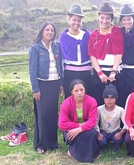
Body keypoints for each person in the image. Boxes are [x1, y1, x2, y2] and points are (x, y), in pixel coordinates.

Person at [29, 21, 63, 154]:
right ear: (42, 31)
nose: (50, 32)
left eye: (52, 30)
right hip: (42, 84)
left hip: (54, 83)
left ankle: (52, 143)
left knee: (52, 113)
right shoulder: (35, 49)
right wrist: (35, 89)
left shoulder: (56, 47)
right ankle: (41, 144)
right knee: (42, 115)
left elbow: (59, 66)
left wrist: (60, 84)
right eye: (47, 30)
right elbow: (32, 71)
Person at [88, 1, 124, 107]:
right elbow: (92, 55)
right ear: (98, 18)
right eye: (102, 18)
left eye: (107, 18)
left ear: (111, 19)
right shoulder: (94, 34)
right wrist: (100, 73)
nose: (104, 21)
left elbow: (119, 52)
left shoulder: (116, 32)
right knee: (98, 102)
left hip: (115, 73)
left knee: (117, 101)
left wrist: (114, 71)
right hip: (99, 74)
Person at [58, 79, 100, 163]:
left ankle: (72, 151)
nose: (79, 93)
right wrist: (80, 125)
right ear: (71, 92)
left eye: (81, 90)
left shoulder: (92, 101)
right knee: (77, 135)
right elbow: (62, 124)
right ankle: (93, 153)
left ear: (85, 90)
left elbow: (92, 121)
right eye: (76, 90)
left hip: (86, 129)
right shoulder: (66, 103)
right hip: (72, 130)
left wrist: (79, 130)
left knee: (91, 133)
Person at [59, 4, 92, 98]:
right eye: (74, 20)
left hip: (86, 73)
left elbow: (93, 53)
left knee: (86, 98)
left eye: (79, 20)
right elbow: (61, 58)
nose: (76, 23)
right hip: (69, 73)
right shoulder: (64, 36)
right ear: (69, 19)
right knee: (70, 99)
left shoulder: (87, 35)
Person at [95, 84, 127, 152]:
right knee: (101, 142)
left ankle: (116, 147)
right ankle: (103, 146)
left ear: (116, 99)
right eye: (107, 98)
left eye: (112, 98)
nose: (109, 100)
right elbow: (95, 122)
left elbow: (126, 123)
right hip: (104, 131)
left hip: (115, 131)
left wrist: (120, 133)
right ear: (103, 99)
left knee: (118, 140)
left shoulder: (120, 110)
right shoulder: (99, 109)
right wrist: (98, 133)